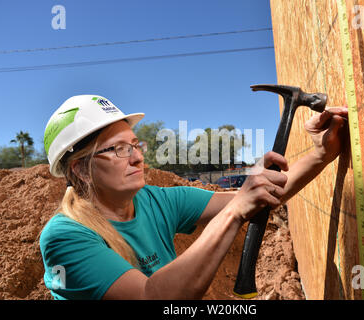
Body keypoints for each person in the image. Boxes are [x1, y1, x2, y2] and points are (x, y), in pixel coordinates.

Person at [39, 94, 348, 300]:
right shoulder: (65, 236)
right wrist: (234, 212)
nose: (136, 157)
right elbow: (151, 297)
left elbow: (257, 197)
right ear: (80, 169)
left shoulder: (155, 201)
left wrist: (320, 154)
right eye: (119, 149)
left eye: (135, 145)